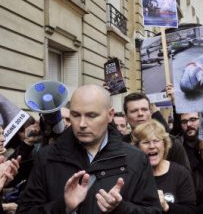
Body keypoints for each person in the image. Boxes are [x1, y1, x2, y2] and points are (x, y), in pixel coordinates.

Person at [17, 85, 161, 214]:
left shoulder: (136, 159)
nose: (82, 124)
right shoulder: (46, 157)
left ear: (110, 115)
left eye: (91, 115)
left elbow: (153, 210)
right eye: (75, 115)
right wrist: (63, 206)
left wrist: (120, 208)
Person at [132, 119, 196, 214]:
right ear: (137, 148)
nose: (152, 146)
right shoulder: (132, 174)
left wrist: (166, 206)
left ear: (165, 145)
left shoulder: (180, 173)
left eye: (156, 141)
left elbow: (190, 211)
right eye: (145, 142)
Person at [123, 92, 191, 170]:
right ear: (126, 117)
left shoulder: (171, 143)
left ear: (150, 112)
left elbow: (186, 176)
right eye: (134, 111)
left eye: (144, 109)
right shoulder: (121, 145)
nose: (140, 114)